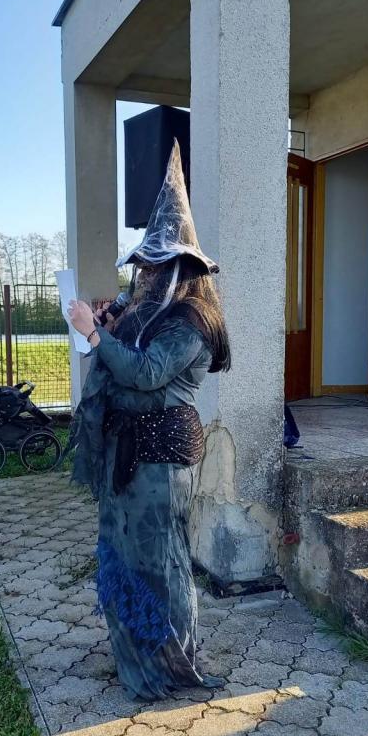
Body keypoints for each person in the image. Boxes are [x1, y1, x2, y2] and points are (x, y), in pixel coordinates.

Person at [68, 140, 231, 700]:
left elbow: (145, 373)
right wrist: (109, 325)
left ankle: (167, 664)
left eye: (155, 266)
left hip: (161, 458)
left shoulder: (191, 321)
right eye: (144, 265)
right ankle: (135, 653)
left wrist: (96, 335)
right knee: (125, 553)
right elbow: (126, 356)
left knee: (160, 561)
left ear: (180, 268)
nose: (145, 275)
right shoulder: (149, 312)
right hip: (128, 455)